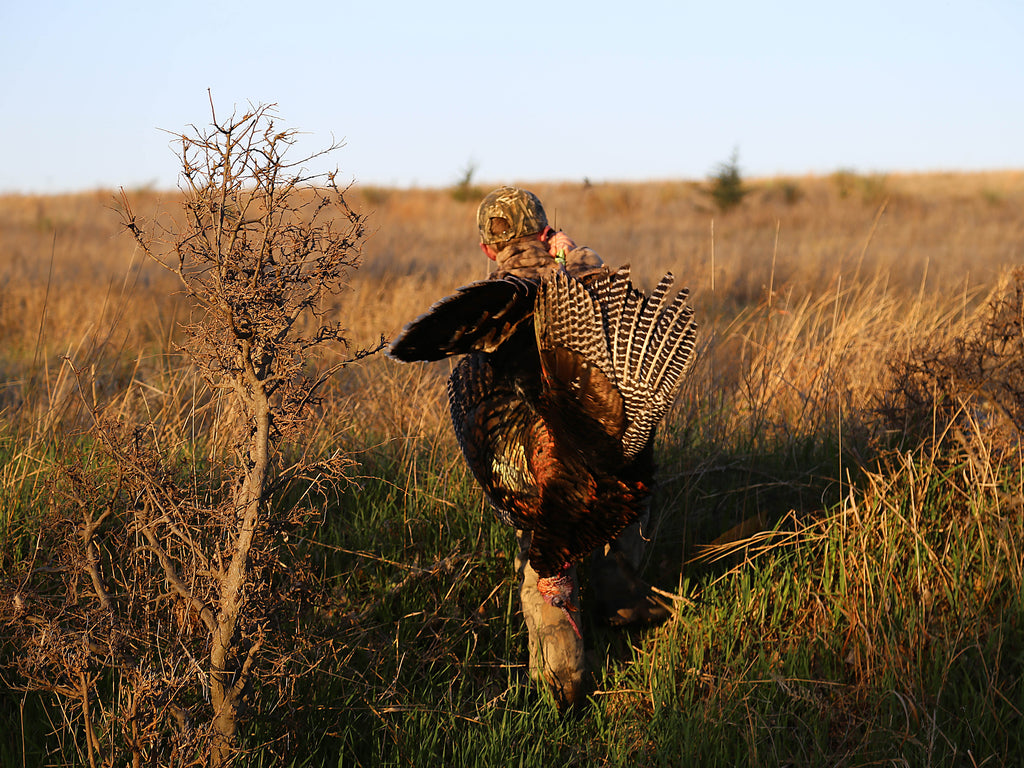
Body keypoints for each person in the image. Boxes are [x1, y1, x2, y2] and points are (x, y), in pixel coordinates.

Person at [475, 186, 670, 704]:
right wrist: (571, 251)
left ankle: (561, 686)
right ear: (545, 233)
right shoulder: (582, 273)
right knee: (624, 485)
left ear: (488, 250)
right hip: (606, 449)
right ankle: (620, 597)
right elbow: (609, 291)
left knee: (546, 556)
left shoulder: (485, 305)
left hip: (533, 462)